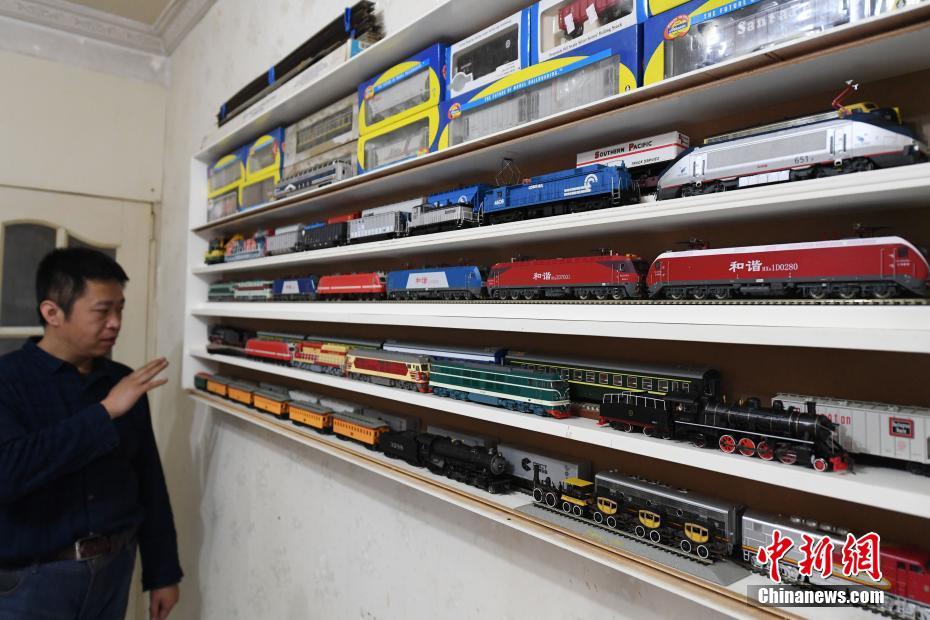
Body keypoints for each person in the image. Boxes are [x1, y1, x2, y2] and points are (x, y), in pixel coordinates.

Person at [0, 248, 182, 620]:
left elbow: (148, 479)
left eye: (120, 309)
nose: (115, 323)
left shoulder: (121, 380)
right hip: (32, 581)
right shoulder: (8, 380)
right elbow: (8, 472)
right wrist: (105, 412)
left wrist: (163, 572)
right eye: (102, 311)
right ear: (52, 313)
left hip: (114, 570)